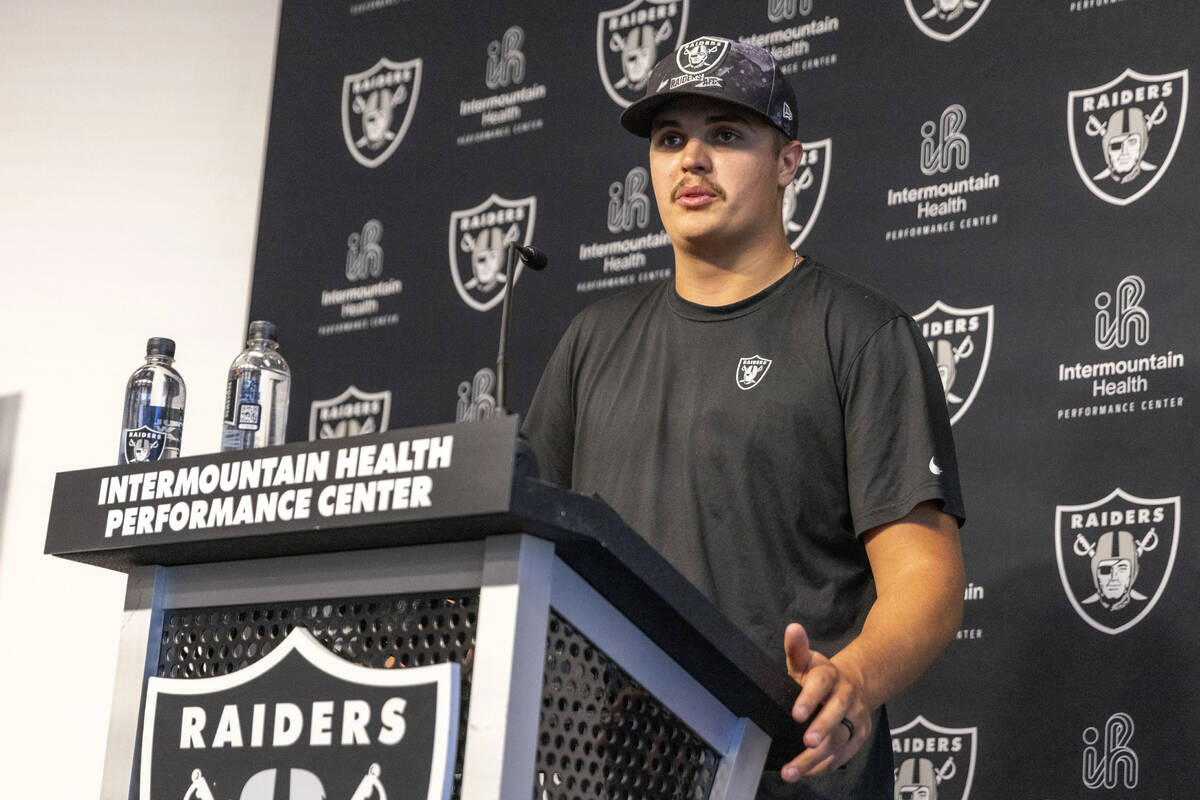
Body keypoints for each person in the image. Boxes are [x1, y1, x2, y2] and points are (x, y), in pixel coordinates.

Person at [520, 35, 966, 799]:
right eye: (670, 139)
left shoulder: (858, 333)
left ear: (791, 161)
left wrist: (853, 678)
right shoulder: (590, 342)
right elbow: (524, 547)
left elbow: (927, 575)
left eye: (725, 134)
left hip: (790, 775)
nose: (692, 159)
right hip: (607, 776)